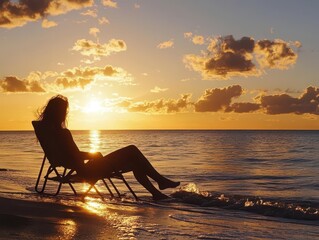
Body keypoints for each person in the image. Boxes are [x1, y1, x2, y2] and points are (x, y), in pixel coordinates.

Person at [36, 95, 180, 200]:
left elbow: (68, 157)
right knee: (132, 150)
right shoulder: (62, 133)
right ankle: (159, 182)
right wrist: (94, 154)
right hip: (88, 171)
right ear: (61, 113)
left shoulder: (47, 131)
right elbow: (76, 155)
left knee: (135, 161)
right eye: (65, 111)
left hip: (81, 168)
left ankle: (156, 192)